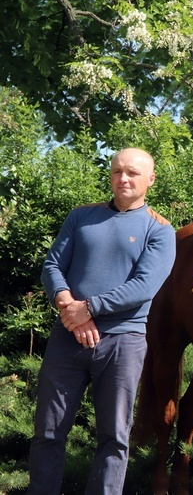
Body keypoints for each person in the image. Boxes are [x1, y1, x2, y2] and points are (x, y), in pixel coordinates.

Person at [28, 148, 176, 494]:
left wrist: (90, 308)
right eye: (117, 172)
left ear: (150, 180)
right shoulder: (81, 217)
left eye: (133, 173)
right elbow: (52, 266)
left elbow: (143, 286)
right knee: (47, 431)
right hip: (67, 337)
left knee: (113, 438)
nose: (123, 178)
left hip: (122, 343)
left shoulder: (160, 230)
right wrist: (70, 308)